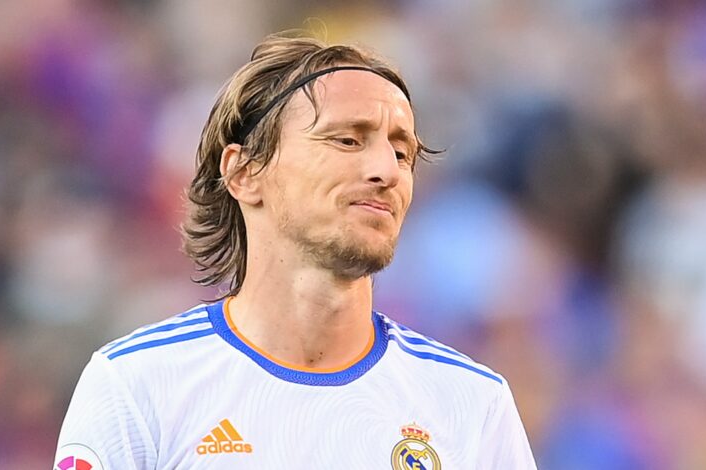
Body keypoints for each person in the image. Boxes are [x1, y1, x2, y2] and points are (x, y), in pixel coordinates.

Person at [54, 33, 537, 469]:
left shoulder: (472, 405)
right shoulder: (136, 387)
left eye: (401, 153)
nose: (387, 171)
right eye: (347, 140)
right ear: (244, 172)